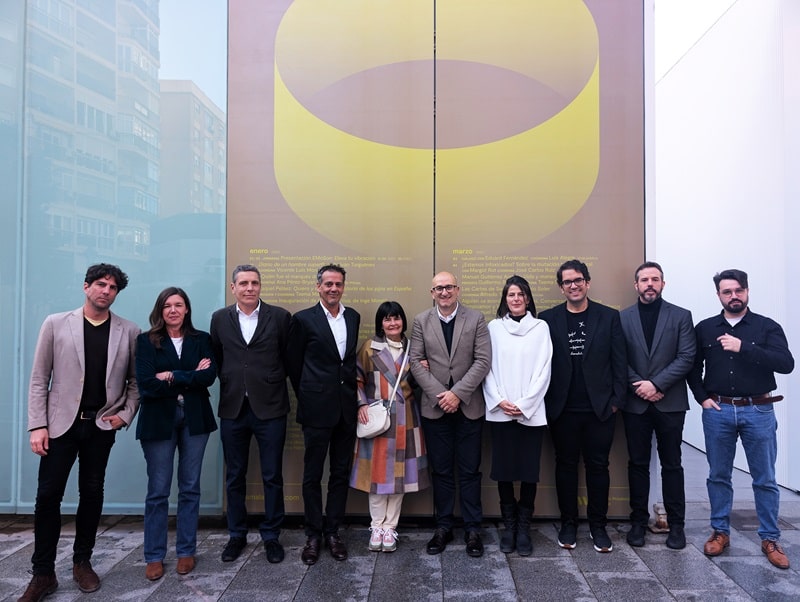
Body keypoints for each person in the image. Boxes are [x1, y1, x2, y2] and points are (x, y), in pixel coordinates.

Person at [21, 264, 139, 601]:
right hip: (60, 425)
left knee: (91, 492)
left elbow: (136, 382)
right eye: (101, 284)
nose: (106, 291)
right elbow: (39, 378)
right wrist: (38, 425)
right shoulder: (56, 323)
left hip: (100, 425)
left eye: (112, 288)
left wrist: (124, 415)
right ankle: (43, 573)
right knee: (48, 496)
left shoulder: (129, 331)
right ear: (86, 287)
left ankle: (82, 562)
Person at [687, 269, 794, 569]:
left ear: (747, 291)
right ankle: (720, 532)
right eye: (727, 292)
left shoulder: (766, 327)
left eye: (738, 290)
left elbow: (786, 363)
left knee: (765, 478)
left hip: (758, 409)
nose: (733, 296)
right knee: (718, 475)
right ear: (718, 295)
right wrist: (702, 398)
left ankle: (770, 538)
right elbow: (692, 367)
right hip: (718, 410)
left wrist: (744, 347)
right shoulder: (705, 328)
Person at [538, 259, 626, 553]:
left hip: (600, 410)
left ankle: (598, 527)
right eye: (567, 282)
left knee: (598, 467)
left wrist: (616, 402)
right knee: (565, 467)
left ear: (587, 283)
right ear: (561, 287)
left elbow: (619, 361)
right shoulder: (547, 319)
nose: (573, 286)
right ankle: (568, 524)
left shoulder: (609, 317)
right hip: (562, 409)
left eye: (578, 280)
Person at [210, 264, 292, 565]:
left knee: (272, 475)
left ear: (260, 286)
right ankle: (237, 534)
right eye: (243, 283)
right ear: (233, 287)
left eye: (254, 283)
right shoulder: (220, 318)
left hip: (270, 407)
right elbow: (218, 356)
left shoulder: (279, 317)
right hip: (233, 408)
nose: (249, 288)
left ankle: (271, 536)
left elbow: (288, 357)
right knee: (234, 475)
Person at [136, 287, 218, 580]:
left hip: (195, 418)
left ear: (186, 309)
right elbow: (146, 384)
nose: (173, 310)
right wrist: (190, 375)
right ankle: (154, 556)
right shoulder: (146, 341)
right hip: (158, 420)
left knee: (190, 487)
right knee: (158, 490)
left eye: (179, 305)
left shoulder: (202, 339)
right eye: (167, 305)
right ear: (160, 310)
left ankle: (186, 551)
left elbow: (208, 376)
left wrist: (171, 375)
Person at [410, 272, 491, 557]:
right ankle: (443, 526)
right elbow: (415, 362)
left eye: (449, 287)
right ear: (431, 292)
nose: (444, 292)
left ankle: (472, 530)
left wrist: (457, 394)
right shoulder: (421, 321)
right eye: (439, 288)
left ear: (457, 289)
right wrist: (441, 396)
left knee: (470, 472)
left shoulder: (476, 319)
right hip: (435, 408)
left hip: (468, 406)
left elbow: (483, 360)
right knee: (442, 471)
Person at [287, 264, 361, 565]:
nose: (333, 288)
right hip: (316, 409)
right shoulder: (303, 319)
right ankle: (313, 535)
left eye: (338, 284)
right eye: (328, 284)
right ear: (318, 286)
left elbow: (348, 362)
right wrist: (309, 394)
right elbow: (294, 365)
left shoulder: (353, 316)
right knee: (313, 474)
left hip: (346, 409)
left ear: (343, 287)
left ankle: (333, 532)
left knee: (340, 473)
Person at [619, 262, 695, 550]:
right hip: (635, 403)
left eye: (655, 279)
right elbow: (618, 357)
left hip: (670, 403)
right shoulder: (622, 318)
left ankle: (677, 526)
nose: (649, 284)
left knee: (672, 464)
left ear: (663, 283)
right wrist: (639, 385)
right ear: (636, 285)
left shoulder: (681, 316)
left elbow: (686, 357)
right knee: (637, 464)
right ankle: (638, 523)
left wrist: (657, 385)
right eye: (644, 279)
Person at [350, 301, 430, 552]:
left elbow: (418, 383)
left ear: (403, 321)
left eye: (396, 318)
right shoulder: (369, 347)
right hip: (378, 419)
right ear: (380, 323)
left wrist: (422, 369)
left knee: (399, 477)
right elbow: (356, 379)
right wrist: (361, 404)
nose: (393, 323)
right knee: (377, 477)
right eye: (387, 319)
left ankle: (390, 527)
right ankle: (376, 526)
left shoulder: (413, 348)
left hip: (407, 417)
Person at [482, 276, 552, 556]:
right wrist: (500, 401)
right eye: (511, 294)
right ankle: (508, 526)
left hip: (530, 413)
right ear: (505, 299)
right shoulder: (494, 328)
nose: (516, 299)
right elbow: (486, 368)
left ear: (528, 298)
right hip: (501, 412)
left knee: (528, 472)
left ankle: (524, 527)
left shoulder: (540, 328)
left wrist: (524, 405)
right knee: (504, 472)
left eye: (521, 294)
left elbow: (544, 369)